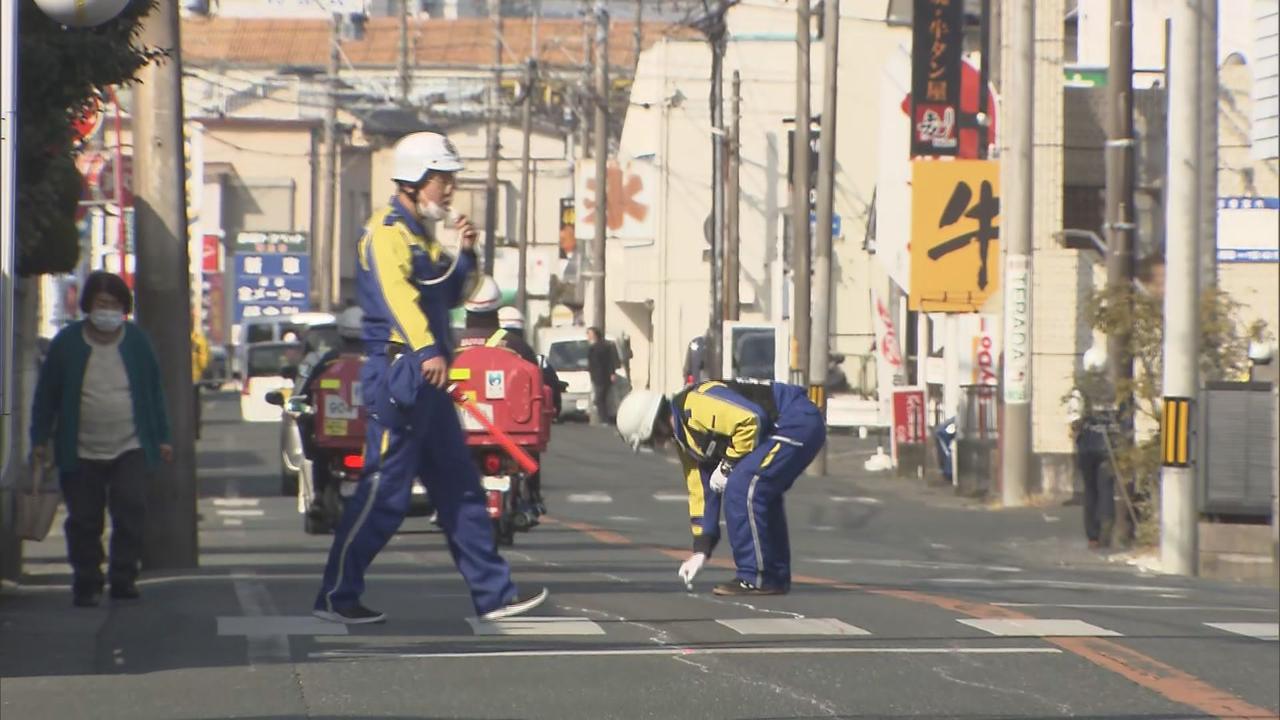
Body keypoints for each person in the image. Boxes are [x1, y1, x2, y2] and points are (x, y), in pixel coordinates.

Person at [313, 130, 548, 625]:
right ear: (417, 180)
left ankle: (494, 595)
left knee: (461, 487)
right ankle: (337, 595)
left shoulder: (421, 235)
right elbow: (400, 298)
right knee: (385, 493)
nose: (450, 189)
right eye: (444, 179)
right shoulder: (386, 233)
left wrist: (466, 252)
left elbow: (456, 293)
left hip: (430, 379)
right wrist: (424, 349)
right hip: (401, 373)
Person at [30, 271, 173, 608]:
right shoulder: (67, 343)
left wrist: (162, 437)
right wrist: (39, 438)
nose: (107, 310)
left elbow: (154, 392)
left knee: (131, 509)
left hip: (131, 444)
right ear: (88, 306)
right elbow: (46, 395)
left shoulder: (137, 341)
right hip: (79, 447)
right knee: (83, 518)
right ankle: (87, 580)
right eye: (101, 303)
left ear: (124, 308)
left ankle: (124, 577)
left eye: (114, 305)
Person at [615, 379, 826, 596]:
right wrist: (701, 548)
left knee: (743, 485)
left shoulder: (695, 406)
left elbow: (751, 419)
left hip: (796, 420)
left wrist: (727, 466)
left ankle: (755, 576)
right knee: (760, 491)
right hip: (785, 424)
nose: (657, 445)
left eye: (651, 440)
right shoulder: (685, 438)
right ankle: (773, 576)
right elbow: (700, 490)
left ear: (655, 424)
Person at [455, 282, 549, 516]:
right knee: (528, 458)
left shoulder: (452, 345)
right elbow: (540, 383)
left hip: (460, 429)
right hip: (514, 434)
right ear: (496, 309)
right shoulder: (517, 345)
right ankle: (532, 499)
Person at [1066, 348, 1119, 549]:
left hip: (1088, 444)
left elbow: (1074, 418)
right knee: (1106, 488)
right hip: (1109, 446)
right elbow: (1122, 415)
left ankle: (1093, 535)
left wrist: (1074, 433)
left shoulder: (1081, 390)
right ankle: (1108, 527)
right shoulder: (1114, 389)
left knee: (1090, 489)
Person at [586, 326, 619, 424]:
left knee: (600, 398)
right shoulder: (592, 347)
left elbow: (609, 361)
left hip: (602, 376)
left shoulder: (603, 346)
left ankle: (605, 419)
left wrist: (612, 373)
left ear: (595, 335)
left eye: (589, 334)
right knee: (600, 398)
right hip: (596, 377)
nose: (588, 336)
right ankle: (604, 418)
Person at [191, 326, 209, 440]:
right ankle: (195, 431)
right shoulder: (198, 339)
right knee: (195, 407)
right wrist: (200, 368)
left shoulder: (197, 340)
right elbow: (204, 359)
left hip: (177, 378)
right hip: (194, 378)